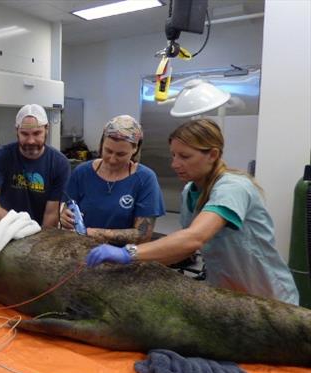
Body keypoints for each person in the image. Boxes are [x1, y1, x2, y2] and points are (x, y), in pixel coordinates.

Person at [84, 118, 299, 305]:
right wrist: (133, 269)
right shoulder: (190, 192)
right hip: (227, 295)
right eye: (173, 155)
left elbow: (194, 238)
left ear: (212, 154)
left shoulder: (233, 187)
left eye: (184, 157)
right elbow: (183, 250)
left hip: (267, 298)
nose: (175, 164)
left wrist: (128, 253)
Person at [60, 115, 165, 244]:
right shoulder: (82, 172)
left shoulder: (145, 179)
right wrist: (64, 217)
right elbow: (68, 209)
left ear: (135, 149)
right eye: (108, 151)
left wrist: (94, 233)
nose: (112, 159)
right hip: (82, 251)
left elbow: (143, 234)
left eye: (121, 154)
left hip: (123, 257)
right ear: (101, 144)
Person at [0, 104, 70, 227]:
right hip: (3, 229)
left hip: (38, 233)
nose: (31, 140)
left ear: (46, 129)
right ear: (16, 130)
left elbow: (51, 214)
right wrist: (16, 225)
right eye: (25, 134)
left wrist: (39, 241)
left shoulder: (59, 163)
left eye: (37, 133)